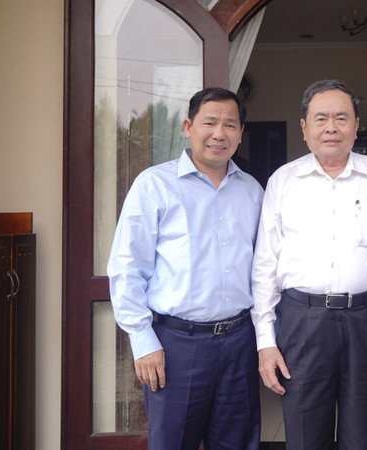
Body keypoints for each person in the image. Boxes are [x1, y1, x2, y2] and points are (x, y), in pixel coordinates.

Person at [251, 79, 367, 450]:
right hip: (302, 322)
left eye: (342, 118)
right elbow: (264, 268)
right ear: (304, 128)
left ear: (357, 126)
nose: (331, 127)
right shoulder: (283, 181)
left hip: (366, 320)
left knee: (364, 437)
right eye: (320, 118)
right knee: (306, 437)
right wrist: (265, 342)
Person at [107, 87, 263, 449]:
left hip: (239, 340)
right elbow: (128, 267)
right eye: (210, 123)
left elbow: (264, 267)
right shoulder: (154, 186)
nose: (219, 134)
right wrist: (143, 340)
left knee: (237, 442)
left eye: (230, 125)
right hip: (177, 344)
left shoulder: (252, 191)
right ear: (188, 127)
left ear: (240, 133)